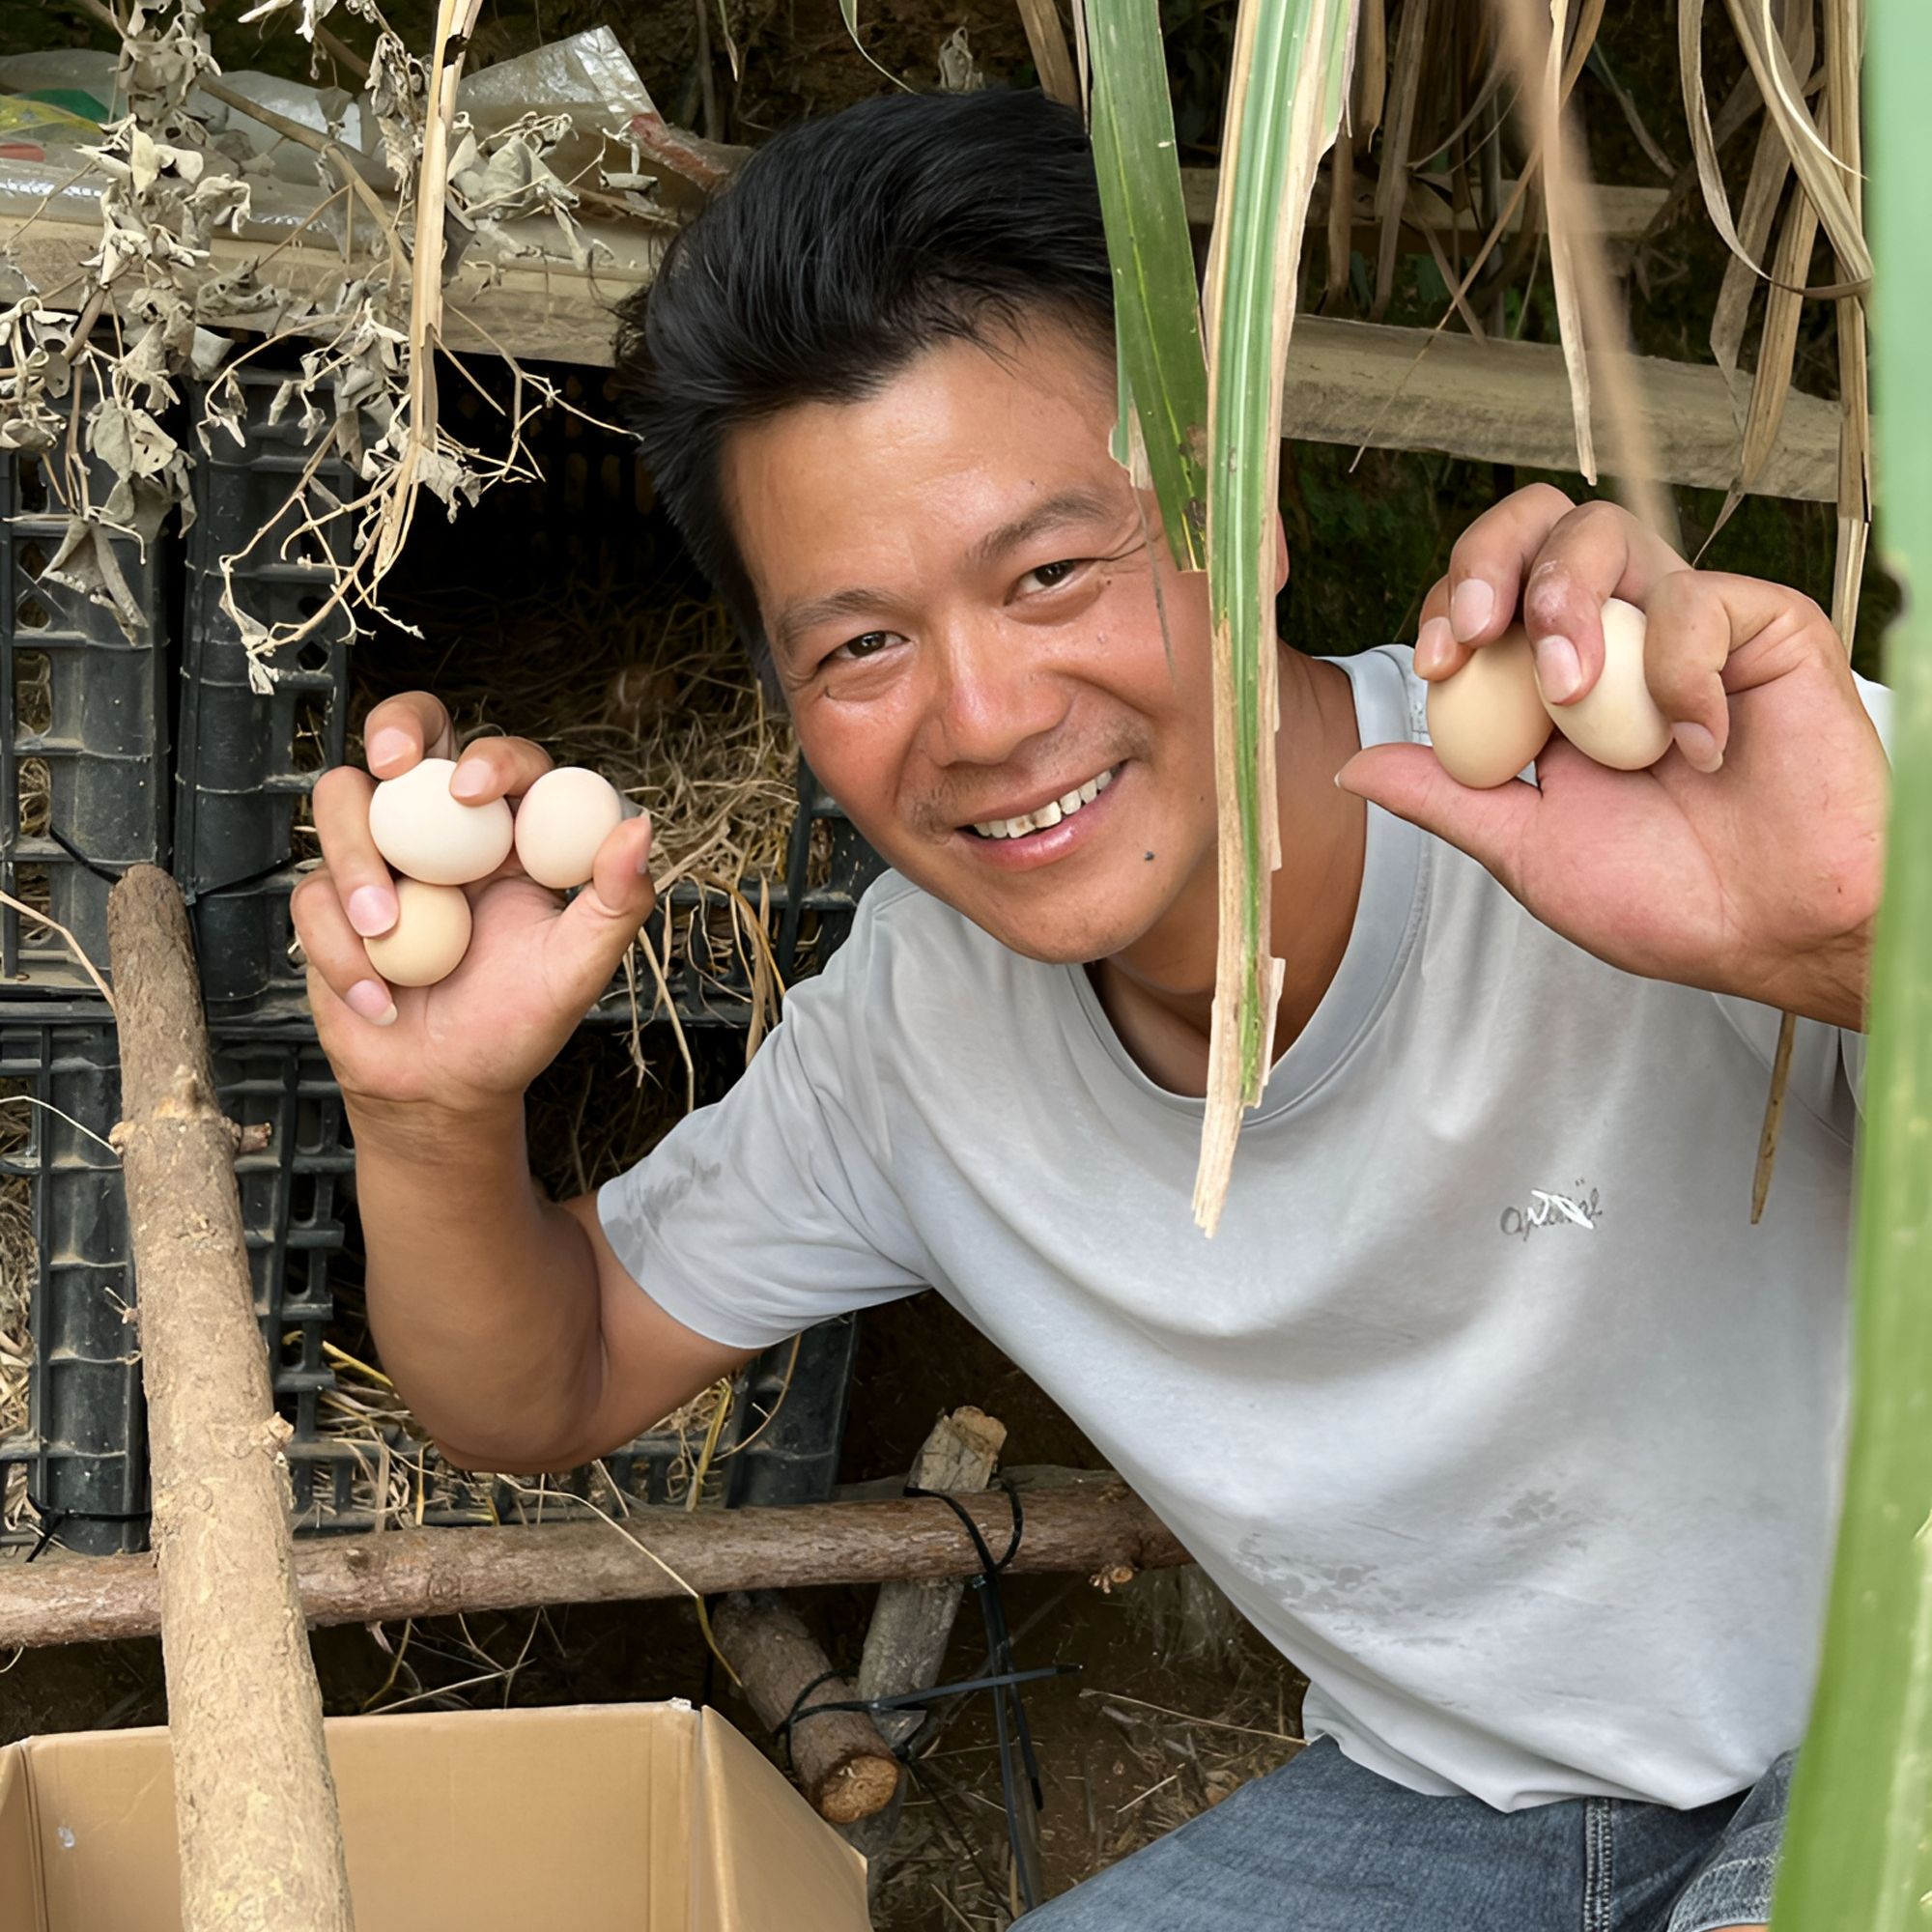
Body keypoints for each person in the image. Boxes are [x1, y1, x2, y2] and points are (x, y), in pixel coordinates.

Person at [291, 88, 1889, 1932]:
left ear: (1247, 513)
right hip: (1468, 1813)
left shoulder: (1694, 789)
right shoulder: (916, 1037)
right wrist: (429, 1115)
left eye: (1052, 571)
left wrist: (1836, 952)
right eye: (863, 643)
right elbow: (542, 1378)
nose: (979, 717)